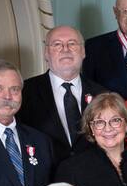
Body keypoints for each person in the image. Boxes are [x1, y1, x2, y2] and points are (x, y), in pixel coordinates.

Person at [19, 25, 106, 162]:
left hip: (92, 178)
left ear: (83, 51)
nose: (65, 49)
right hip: (46, 180)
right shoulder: (24, 92)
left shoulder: (102, 94)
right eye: (57, 44)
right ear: (46, 53)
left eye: (72, 43)